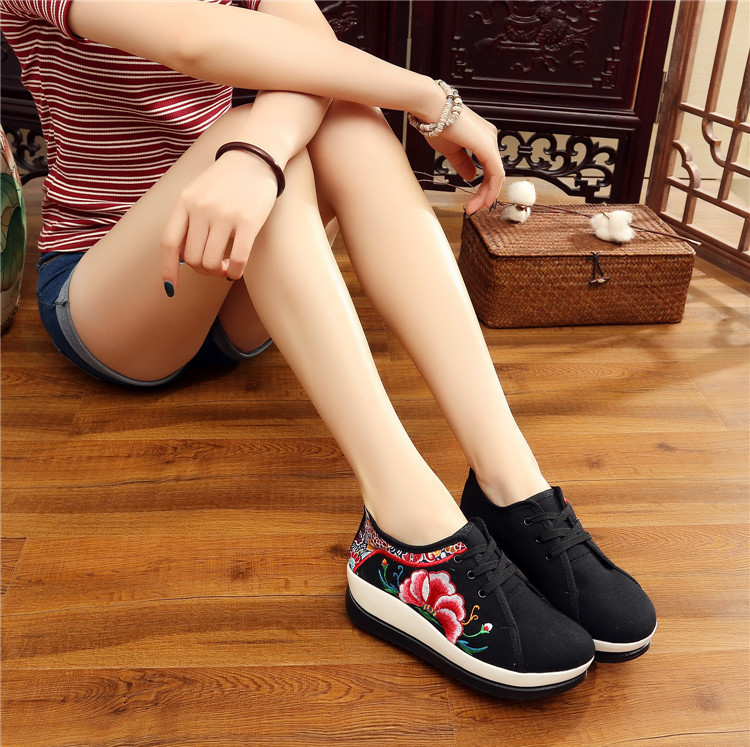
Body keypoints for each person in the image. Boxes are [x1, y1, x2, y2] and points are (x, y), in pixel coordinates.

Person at [1, 0, 656, 700]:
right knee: (257, 134)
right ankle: (404, 524)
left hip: (245, 272)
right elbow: (197, 39)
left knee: (341, 119)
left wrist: (257, 156)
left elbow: (316, 55)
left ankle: (509, 485)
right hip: (116, 293)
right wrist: (430, 100)